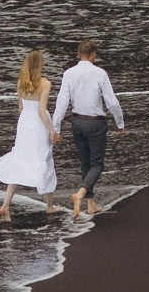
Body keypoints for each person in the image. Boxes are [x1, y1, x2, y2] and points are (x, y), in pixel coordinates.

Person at [51, 38, 125, 218]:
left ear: (78, 54)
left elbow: (62, 101)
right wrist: (120, 122)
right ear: (93, 54)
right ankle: (81, 194)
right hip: (95, 122)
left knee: (85, 163)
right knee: (97, 164)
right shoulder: (100, 73)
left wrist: (56, 127)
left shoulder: (69, 73)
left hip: (76, 122)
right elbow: (111, 101)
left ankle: (90, 204)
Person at [0, 48, 60, 222]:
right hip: (38, 126)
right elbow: (42, 111)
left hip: (24, 125)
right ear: (41, 65)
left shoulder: (21, 82)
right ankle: (49, 206)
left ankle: (6, 205)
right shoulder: (45, 84)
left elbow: (20, 108)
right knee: (45, 160)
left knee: (19, 161)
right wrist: (53, 131)